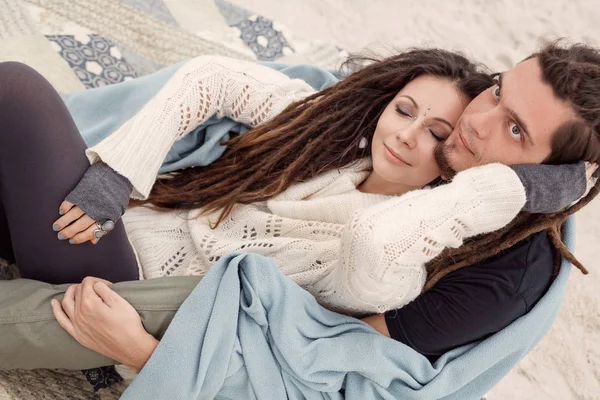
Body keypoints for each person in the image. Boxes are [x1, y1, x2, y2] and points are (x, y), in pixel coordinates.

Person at [0, 41, 598, 372]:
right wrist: (118, 173)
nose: (475, 122)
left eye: (515, 130)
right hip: (122, 227)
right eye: (497, 90)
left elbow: (332, 350)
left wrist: (506, 189)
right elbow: (219, 81)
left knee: (20, 93)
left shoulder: (422, 248)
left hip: (148, 295)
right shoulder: (350, 146)